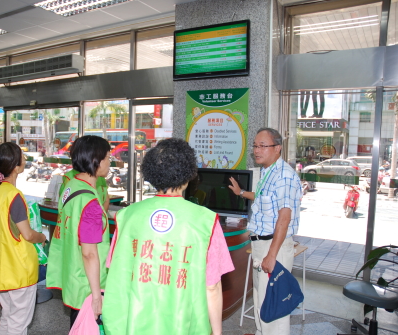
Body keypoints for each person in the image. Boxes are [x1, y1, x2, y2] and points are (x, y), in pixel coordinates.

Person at [103, 138, 234, 335]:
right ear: (189, 175)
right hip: (183, 324)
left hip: (134, 323)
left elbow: (116, 272)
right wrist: (217, 332)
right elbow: (212, 286)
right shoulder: (206, 221)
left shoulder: (126, 216)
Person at [229, 127, 302, 335]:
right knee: (262, 300)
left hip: (274, 247)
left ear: (277, 148)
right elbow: (262, 197)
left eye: (263, 146)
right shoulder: (268, 172)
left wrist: (271, 255)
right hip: (262, 245)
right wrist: (241, 192)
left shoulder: (284, 177)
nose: (256, 150)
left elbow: (284, 218)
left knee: (274, 307)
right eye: (255, 145)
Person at [46, 135, 111, 328]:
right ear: (95, 161)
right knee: (86, 327)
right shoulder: (89, 201)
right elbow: (89, 253)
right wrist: (96, 295)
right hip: (87, 281)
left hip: (72, 271)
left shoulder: (71, 185)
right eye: (108, 157)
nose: (110, 162)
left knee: (77, 325)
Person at [0, 142, 46, 334]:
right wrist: (42, 236)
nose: (25, 160)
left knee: (9, 317)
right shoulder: (13, 195)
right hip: (18, 270)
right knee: (19, 322)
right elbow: (27, 234)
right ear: (16, 167)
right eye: (23, 157)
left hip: (0, 266)